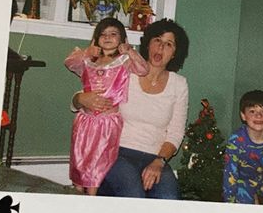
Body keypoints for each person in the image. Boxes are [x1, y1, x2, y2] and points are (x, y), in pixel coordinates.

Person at [73, 18, 190, 201]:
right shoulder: (126, 68)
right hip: (115, 151)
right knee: (133, 195)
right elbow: (90, 92)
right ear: (148, 44)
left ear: (175, 53)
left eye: (169, 44)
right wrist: (79, 98)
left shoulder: (179, 84)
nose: (160, 48)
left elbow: (175, 133)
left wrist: (159, 161)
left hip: (155, 157)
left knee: (169, 197)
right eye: (157, 40)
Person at [65, 17, 149, 195]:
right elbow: (70, 62)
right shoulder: (88, 60)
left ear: (122, 39)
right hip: (85, 120)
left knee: (98, 164)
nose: (108, 37)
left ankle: (92, 197)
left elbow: (143, 69)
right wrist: (89, 50)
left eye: (113, 34)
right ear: (96, 39)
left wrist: (130, 51)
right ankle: (76, 195)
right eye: (102, 34)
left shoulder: (124, 61)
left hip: (107, 122)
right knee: (80, 160)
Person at [223, 91, 263, 206]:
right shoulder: (236, 141)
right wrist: (228, 205)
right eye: (252, 111)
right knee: (242, 200)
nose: (258, 116)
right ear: (243, 115)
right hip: (243, 180)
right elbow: (230, 174)